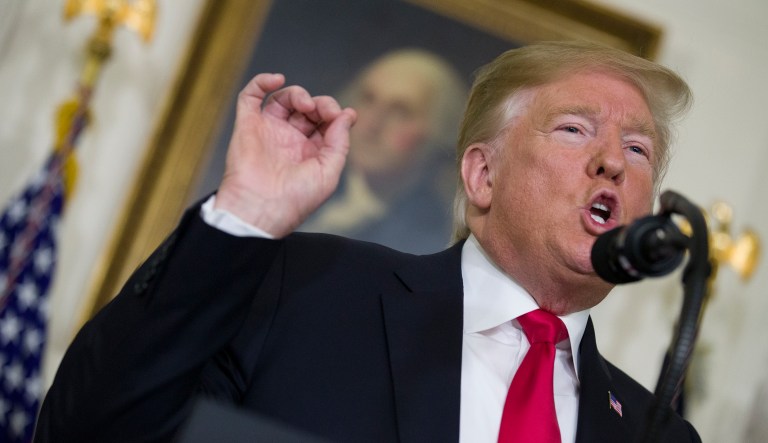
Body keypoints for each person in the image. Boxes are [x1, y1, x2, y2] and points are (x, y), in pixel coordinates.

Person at [34, 41, 700, 442]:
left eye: (637, 148)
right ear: (482, 173)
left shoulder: (657, 432)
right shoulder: (306, 289)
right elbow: (90, 428)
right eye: (575, 130)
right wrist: (243, 217)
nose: (613, 161)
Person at [301, 49, 467, 253]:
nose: (373, 124)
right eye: (368, 99)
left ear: (437, 133)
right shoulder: (306, 179)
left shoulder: (428, 234)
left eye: (400, 112)